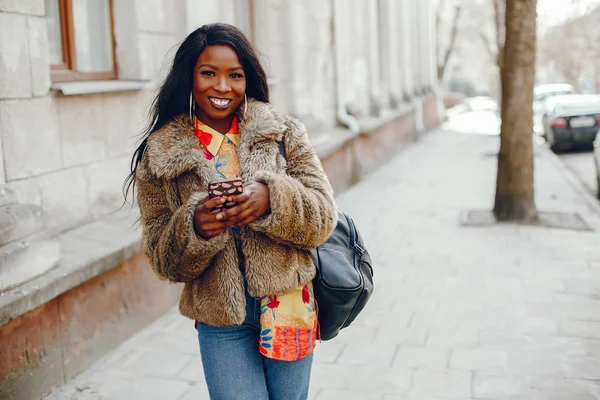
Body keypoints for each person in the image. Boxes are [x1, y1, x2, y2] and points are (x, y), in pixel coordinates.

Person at [125, 23, 337, 400]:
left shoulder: (283, 133)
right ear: (189, 77)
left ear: (247, 80)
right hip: (220, 318)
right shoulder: (160, 155)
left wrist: (272, 198)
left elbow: (323, 217)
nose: (222, 87)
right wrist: (195, 228)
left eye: (234, 75)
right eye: (209, 73)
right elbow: (161, 257)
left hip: (288, 306)